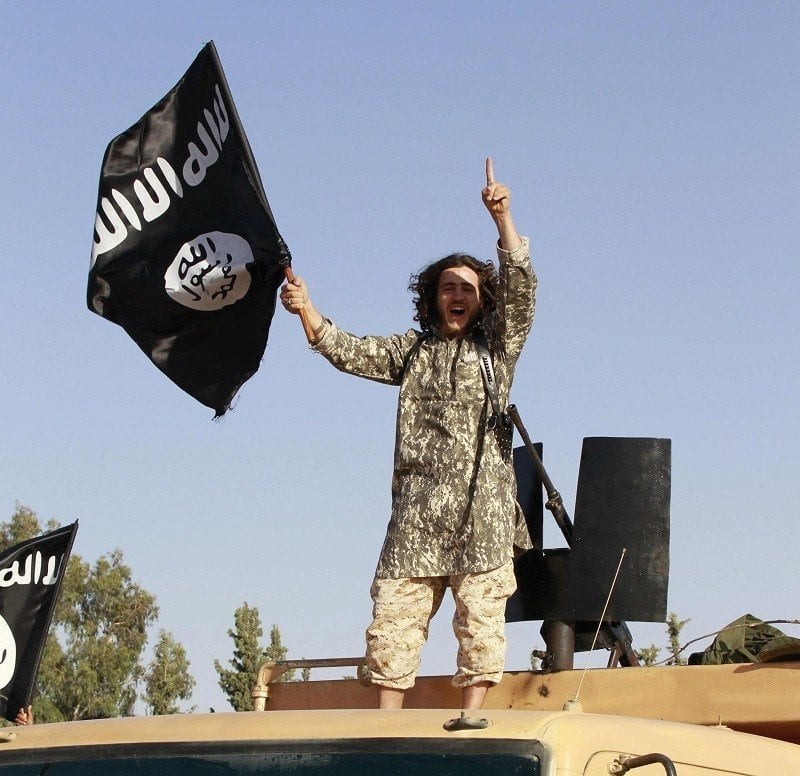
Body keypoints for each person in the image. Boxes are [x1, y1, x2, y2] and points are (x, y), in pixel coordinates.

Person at [281, 158, 536, 710]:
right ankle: (385, 729)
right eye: (448, 286)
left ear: (480, 300)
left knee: (481, 624)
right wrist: (305, 310)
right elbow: (349, 350)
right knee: (392, 629)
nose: (457, 294)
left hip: (482, 515)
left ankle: (473, 721)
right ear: (434, 297)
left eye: (467, 287)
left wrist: (504, 220)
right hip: (416, 519)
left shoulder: (495, 350)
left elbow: (522, 294)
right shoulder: (412, 352)